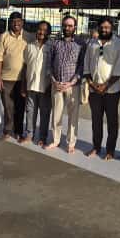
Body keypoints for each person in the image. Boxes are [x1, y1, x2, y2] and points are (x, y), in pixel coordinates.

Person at [84, 18, 120, 160]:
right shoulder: (92, 43)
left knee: (112, 122)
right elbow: (86, 65)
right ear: (98, 27)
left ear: (112, 28)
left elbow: (119, 69)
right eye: (102, 27)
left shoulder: (119, 44)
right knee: (96, 121)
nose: (104, 29)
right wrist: (92, 84)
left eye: (107, 27)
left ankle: (110, 150)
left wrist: (105, 85)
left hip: (111, 91)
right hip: (94, 90)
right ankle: (96, 147)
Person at [45, 15, 84, 153]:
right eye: (65, 25)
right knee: (56, 114)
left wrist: (71, 83)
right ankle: (56, 140)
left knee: (73, 116)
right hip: (57, 84)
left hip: (73, 86)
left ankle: (71, 142)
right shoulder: (55, 43)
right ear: (62, 26)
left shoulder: (80, 44)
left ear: (75, 27)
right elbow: (49, 64)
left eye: (70, 26)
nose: (67, 28)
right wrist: (54, 81)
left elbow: (81, 66)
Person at [0, 11, 33, 141]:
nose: (16, 23)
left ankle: (18, 131)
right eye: (14, 21)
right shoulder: (3, 37)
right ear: (10, 23)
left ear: (22, 22)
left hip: (22, 79)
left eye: (19, 21)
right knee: (8, 107)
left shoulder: (28, 37)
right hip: (6, 78)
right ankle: (7, 130)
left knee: (20, 107)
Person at [22, 21, 52, 146]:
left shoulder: (51, 47)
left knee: (45, 113)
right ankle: (29, 135)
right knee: (30, 111)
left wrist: (51, 85)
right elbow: (25, 66)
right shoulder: (29, 46)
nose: (41, 32)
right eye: (40, 29)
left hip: (46, 86)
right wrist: (24, 85)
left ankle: (42, 138)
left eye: (45, 30)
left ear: (48, 32)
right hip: (31, 85)